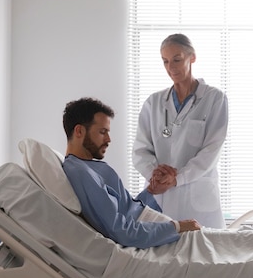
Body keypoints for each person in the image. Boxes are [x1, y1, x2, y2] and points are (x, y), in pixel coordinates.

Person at [131, 34, 227, 278]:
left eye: (176, 59)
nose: (170, 67)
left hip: (200, 204)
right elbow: (140, 150)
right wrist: (155, 175)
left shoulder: (214, 99)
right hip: (160, 202)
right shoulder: (153, 103)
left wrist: (179, 177)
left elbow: (210, 152)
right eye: (165, 61)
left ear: (191, 58)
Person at [61, 97, 201, 250]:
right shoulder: (81, 173)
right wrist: (177, 226)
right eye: (102, 132)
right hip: (151, 232)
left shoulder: (90, 167)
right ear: (79, 131)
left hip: (152, 226)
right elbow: (122, 231)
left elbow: (125, 210)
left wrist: (150, 192)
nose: (109, 139)